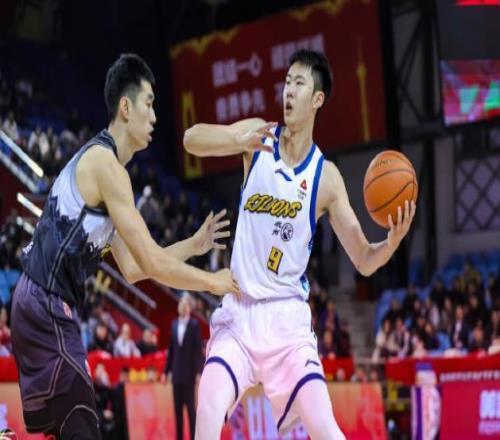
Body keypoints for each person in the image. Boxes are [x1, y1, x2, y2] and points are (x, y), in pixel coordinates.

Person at [184, 49, 416, 439]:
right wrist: (238, 139)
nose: (288, 91)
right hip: (239, 312)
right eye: (287, 82)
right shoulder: (257, 137)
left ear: (317, 99)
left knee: (325, 426)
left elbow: (363, 258)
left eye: (299, 83)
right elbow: (191, 139)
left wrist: (391, 243)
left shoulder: (326, 178)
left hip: (287, 324)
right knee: (207, 409)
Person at [10, 54, 239, 439]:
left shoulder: (107, 173)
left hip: (40, 305)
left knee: (66, 431)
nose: (155, 117)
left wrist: (193, 244)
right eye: (149, 104)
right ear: (126, 107)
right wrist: (212, 282)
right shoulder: (107, 167)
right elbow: (152, 261)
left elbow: (135, 269)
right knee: (83, 428)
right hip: (46, 304)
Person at [163, 293, 203, 440]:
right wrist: (166, 371)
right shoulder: (174, 324)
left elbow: (198, 351)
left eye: (186, 305)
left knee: (191, 411)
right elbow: (171, 351)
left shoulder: (194, 325)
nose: (184, 307)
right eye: (182, 304)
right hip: (176, 375)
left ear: (190, 308)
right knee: (177, 411)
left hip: (189, 375)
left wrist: (198, 372)